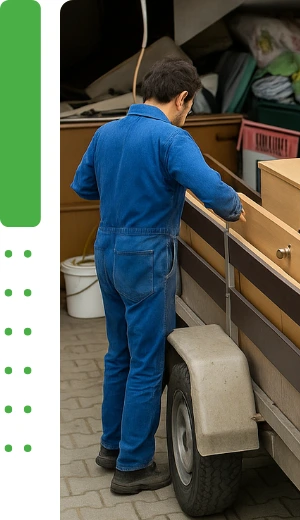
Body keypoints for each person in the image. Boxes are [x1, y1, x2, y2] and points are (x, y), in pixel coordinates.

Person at [71, 58, 244, 495]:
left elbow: (83, 186)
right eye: (191, 105)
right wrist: (236, 208)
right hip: (146, 256)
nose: (189, 113)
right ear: (182, 98)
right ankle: (133, 467)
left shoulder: (106, 132)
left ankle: (111, 447)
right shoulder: (172, 139)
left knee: (120, 354)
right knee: (147, 362)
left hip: (107, 252)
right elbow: (212, 192)